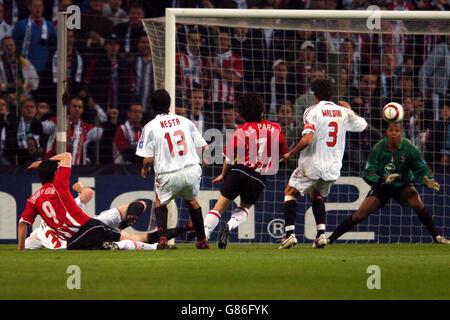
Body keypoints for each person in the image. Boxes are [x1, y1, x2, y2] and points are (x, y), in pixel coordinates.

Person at [325, 122, 449, 246]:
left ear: (401, 133)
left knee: (417, 202)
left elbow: (420, 168)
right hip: (383, 186)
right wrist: (381, 180)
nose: (394, 133)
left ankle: (437, 237)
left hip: (403, 184)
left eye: (397, 130)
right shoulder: (378, 148)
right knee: (360, 214)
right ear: (386, 133)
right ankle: (330, 239)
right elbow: (367, 172)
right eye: (391, 130)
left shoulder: (410, 148)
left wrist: (426, 179)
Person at [279, 79, 368, 249]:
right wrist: (349, 110)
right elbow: (363, 125)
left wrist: (290, 153)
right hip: (333, 167)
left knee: (290, 192)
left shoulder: (312, 111)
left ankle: (289, 235)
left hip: (313, 164)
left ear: (315, 96)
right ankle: (321, 235)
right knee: (316, 193)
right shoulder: (342, 111)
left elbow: (307, 139)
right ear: (332, 94)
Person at [17, 152, 159, 251]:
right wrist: (43, 163)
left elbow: (23, 224)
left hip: (73, 237)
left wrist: (20, 248)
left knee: (117, 236)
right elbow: (87, 192)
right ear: (55, 173)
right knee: (124, 235)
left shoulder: (34, 201)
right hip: (85, 226)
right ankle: (153, 242)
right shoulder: (60, 188)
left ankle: (136, 233)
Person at [203, 93, 288, 249]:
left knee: (219, 207)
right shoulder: (275, 128)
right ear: (262, 112)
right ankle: (229, 226)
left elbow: (229, 159)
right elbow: (283, 153)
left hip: (239, 172)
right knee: (244, 208)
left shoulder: (241, 130)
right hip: (259, 178)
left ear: (242, 114)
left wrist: (223, 174)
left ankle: (205, 235)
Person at [24, 180, 194, 250]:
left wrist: (130, 216)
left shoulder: (38, 233)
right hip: (87, 230)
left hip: (89, 228)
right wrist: (80, 188)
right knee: (134, 240)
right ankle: (182, 231)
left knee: (134, 236)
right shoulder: (68, 210)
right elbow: (88, 193)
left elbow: (140, 205)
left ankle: (165, 241)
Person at [136, 89, 209, 249]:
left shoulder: (150, 126)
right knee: (191, 201)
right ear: (170, 104)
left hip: (168, 174)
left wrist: (144, 168)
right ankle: (202, 239)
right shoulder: (185, 121)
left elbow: (148, 159)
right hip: (192, 170)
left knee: (160, 201)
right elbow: (204, 146)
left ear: (152, 106)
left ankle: (162, 238)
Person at [12, 0, 57, 75]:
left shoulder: (50, 26)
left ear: (43, 8)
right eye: (35, 6)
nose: (38, 9)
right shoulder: (20, 25)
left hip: (44, 69)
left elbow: (54, 46)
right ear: (29, 7)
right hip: (24, 67)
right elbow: (15, 45)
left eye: (40, 6)